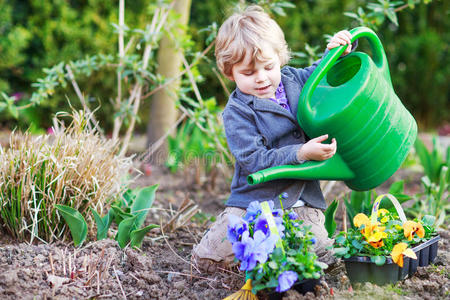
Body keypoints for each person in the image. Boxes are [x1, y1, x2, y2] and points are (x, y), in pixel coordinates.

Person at [192, 5, 355, 273]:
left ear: (279, 58)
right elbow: (255, 160)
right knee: (209, 261)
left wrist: (335, 51)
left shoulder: (294, 80)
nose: (261, 78)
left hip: (303, 201)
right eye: (248, 73)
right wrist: (300, 153)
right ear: (229, 73)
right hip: (253, 203)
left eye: (268, 67)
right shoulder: (237, 113)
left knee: (321, 261)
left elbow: (320, 73)